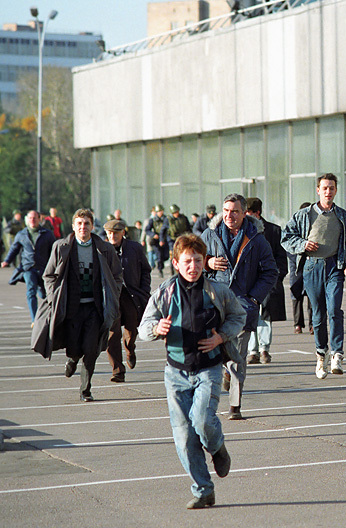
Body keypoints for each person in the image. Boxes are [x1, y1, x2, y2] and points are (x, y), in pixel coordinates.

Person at [138, 234, 245, 509]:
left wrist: (221, 337)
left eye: (198, 260)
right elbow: (144, 325)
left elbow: (238, 316)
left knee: (202, 420)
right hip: (175, 374)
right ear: (176, 263)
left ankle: (218, 447)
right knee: (184, 437)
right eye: (187, 261)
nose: (193, 266)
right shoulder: (164, 292)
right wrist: (156, 329)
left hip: (208, 369)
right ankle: (203, 490)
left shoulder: (217, 291)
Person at [201, 194, 278, 420]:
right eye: (226, 210)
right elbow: (191, 260)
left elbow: (270, 272)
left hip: (243, 307)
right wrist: (208, 262)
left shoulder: (257, 239)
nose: (229, 215)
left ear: (244, 213)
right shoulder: (210, 235)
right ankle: (223, 374)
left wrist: (254, 298)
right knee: (213, 354)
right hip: (213, 305)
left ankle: (235, 405)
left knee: (238, 357)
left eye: (234, 211)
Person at [34, 209, 122, 402]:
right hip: (71, 308)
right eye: (80, 224)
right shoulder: (62, 246)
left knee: (91, 349)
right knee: (75, 348)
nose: (83, 227)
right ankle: (72, 359)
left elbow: (117, 276)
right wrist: (53, 295)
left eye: (87, 223)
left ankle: (85, 390)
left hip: (95, 308)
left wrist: (113, 294)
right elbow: (48, 275)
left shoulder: (104, 249)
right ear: (73, 226)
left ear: (92, 226)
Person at [281, 174, 346, 379]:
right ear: (318, 190)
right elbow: (286, 237)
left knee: (334, 309)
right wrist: (303, 245)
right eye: (324, 188)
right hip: (311, 267)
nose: (328, 191)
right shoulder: (304, 215)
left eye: (332, 188)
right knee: (318, 314)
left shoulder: (343, 216)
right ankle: (320, 354)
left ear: (335, 190)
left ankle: (337, 354)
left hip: (335, 266)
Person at [103, 219, 151, 383]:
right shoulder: (101, 250)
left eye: (116, 232)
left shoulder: (135, 248)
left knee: (131, 329)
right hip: (111, 297)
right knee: (112, 333)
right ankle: (117, 370)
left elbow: (146, 270)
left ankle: (130, 349)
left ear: (123, 232)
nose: (112, 236)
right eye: (109, 233)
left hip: (131, 296)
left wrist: (144, 290)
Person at [245, 197, 288, 365]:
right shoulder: (241, 231)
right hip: (247, 280)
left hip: (267, 280)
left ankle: (264, 350)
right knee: (250, 313)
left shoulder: (273, 231)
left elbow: (281, 257)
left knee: (266, 315)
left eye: (248, 213)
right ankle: (252, 351)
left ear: (257, 213)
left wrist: (277, 277)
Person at [2, 210, 57, 323]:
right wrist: (6, 261)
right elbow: (14, 249)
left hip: (44, 269)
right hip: (28, 267)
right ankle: (35, 320)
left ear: (39, 219)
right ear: (27, 219)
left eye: (35, 218)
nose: (32, 220)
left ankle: (50, 316)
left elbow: (54, 251)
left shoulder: (47, 234)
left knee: (44, 294)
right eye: (30, 218)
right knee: (31, 291)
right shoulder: (21, 234)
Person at [288, 202, 314, 335]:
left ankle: (313, 324)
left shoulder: (315, 228)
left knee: (312, 297)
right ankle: (298, 324)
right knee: (296, 296)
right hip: (297, 268)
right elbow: (288, 246)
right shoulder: (294, 227)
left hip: (311, 267)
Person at [164, 204, 192, 275]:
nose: (176, 214)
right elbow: (163, 230)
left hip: (182, 239)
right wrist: (162, 240)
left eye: (177, 212)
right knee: (173, 255)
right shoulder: (168, 220)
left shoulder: (183, 218)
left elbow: (188, 228)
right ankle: (172, 271)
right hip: (172, 240)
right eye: (174, 213)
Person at [145, 204, 169, 277]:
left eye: (161, 211)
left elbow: (164, 230)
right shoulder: (152, 220)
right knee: (159, 255)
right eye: (159, 211)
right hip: (156, 240)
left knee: (166, 256)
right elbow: (147, 229)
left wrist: (162, 239)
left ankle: (160, 264)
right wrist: (153, 235)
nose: (160, 213)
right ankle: (160, 269)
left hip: (164, 240)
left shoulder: (166, 219)